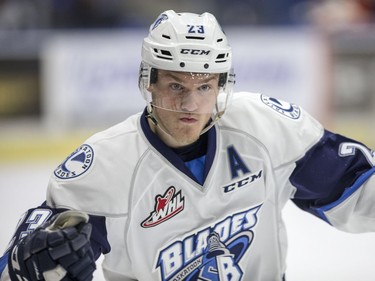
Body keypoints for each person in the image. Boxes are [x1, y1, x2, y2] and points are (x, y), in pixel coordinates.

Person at [0, 9, 374, 281]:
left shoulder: (266, 129)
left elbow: (359, 191)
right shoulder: (105, 166)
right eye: (176, 86)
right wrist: (31, 265)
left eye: (204, 87)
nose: (190, 105)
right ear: (150, 82)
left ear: (221, 85)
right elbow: (27, 259)